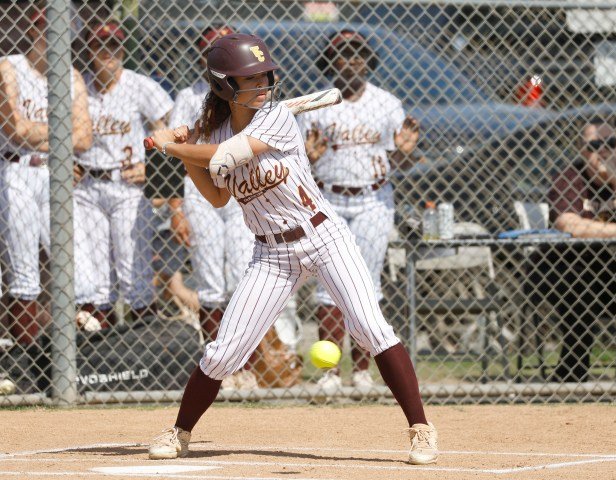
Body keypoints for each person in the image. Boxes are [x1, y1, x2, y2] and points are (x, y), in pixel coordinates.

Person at [145, 33, 438, 465]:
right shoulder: (216, 131)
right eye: (250, 79)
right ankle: (179, 432)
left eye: (265, 75)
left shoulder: (277, 118)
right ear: (224, 86)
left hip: (323, 236)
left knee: (371, 328)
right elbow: (217, 195)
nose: (262, 84)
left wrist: (173, 144)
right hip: (271, 254)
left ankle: (421, 429)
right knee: (224, 351)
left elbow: (226, 157)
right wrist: (187, 152)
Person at [298, 30, 419, 389]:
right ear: (329, 61)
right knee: (327, 284)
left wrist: (404, 153)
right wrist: (310, 158)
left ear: (369, 60)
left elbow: (402, 161)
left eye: (359, 53)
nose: (352, 60)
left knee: (367, 282)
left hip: (373, 199)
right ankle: (330, 373)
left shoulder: (386, 103)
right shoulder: (316, 102)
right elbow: (297, 160)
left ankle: (363, 370)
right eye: (343, 53)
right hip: (326, 199)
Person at [167, 25, 258, 390]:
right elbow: (173, 153)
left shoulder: (246, 93)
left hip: (239, 187)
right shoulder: (187, 96)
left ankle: (244, 364)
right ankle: (217, 367)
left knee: (241, 274)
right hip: (199, 188)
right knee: (209, 281)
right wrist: (176, 207)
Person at [0, 9, 93, 346]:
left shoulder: (72, 77)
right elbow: (14, 128)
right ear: (35, 29)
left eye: (66, 32)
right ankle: (27, 356)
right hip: (15, 170)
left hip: (56, 174)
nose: (59, 38)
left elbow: (85, 138)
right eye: (49, 29)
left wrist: (42, 133)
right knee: (24, 272)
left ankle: (84, 354)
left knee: (79, 267)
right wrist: (63, 130)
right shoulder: (8, 67)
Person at [73, 21, 174, 324]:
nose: (108, 52)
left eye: (114, 45)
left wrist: (154, 172)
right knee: (96, 280)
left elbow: (168, 130)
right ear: (89, 50)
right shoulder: (80, 87)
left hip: (127, 187)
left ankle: (146, 345)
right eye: (100, 45)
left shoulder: (139, 85)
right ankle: (100, 355)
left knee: (135, 271)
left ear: (122, 48)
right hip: (86, 187)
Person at [528, 117, 616, 382]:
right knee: (578, 285)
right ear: (583, 149)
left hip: (609, 271)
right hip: (564, 268)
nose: (603, 150)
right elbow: (568, 223)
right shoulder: (570, 176)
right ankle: (572, 372)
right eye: (595, 145)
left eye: (610, 143)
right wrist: (615, 231)